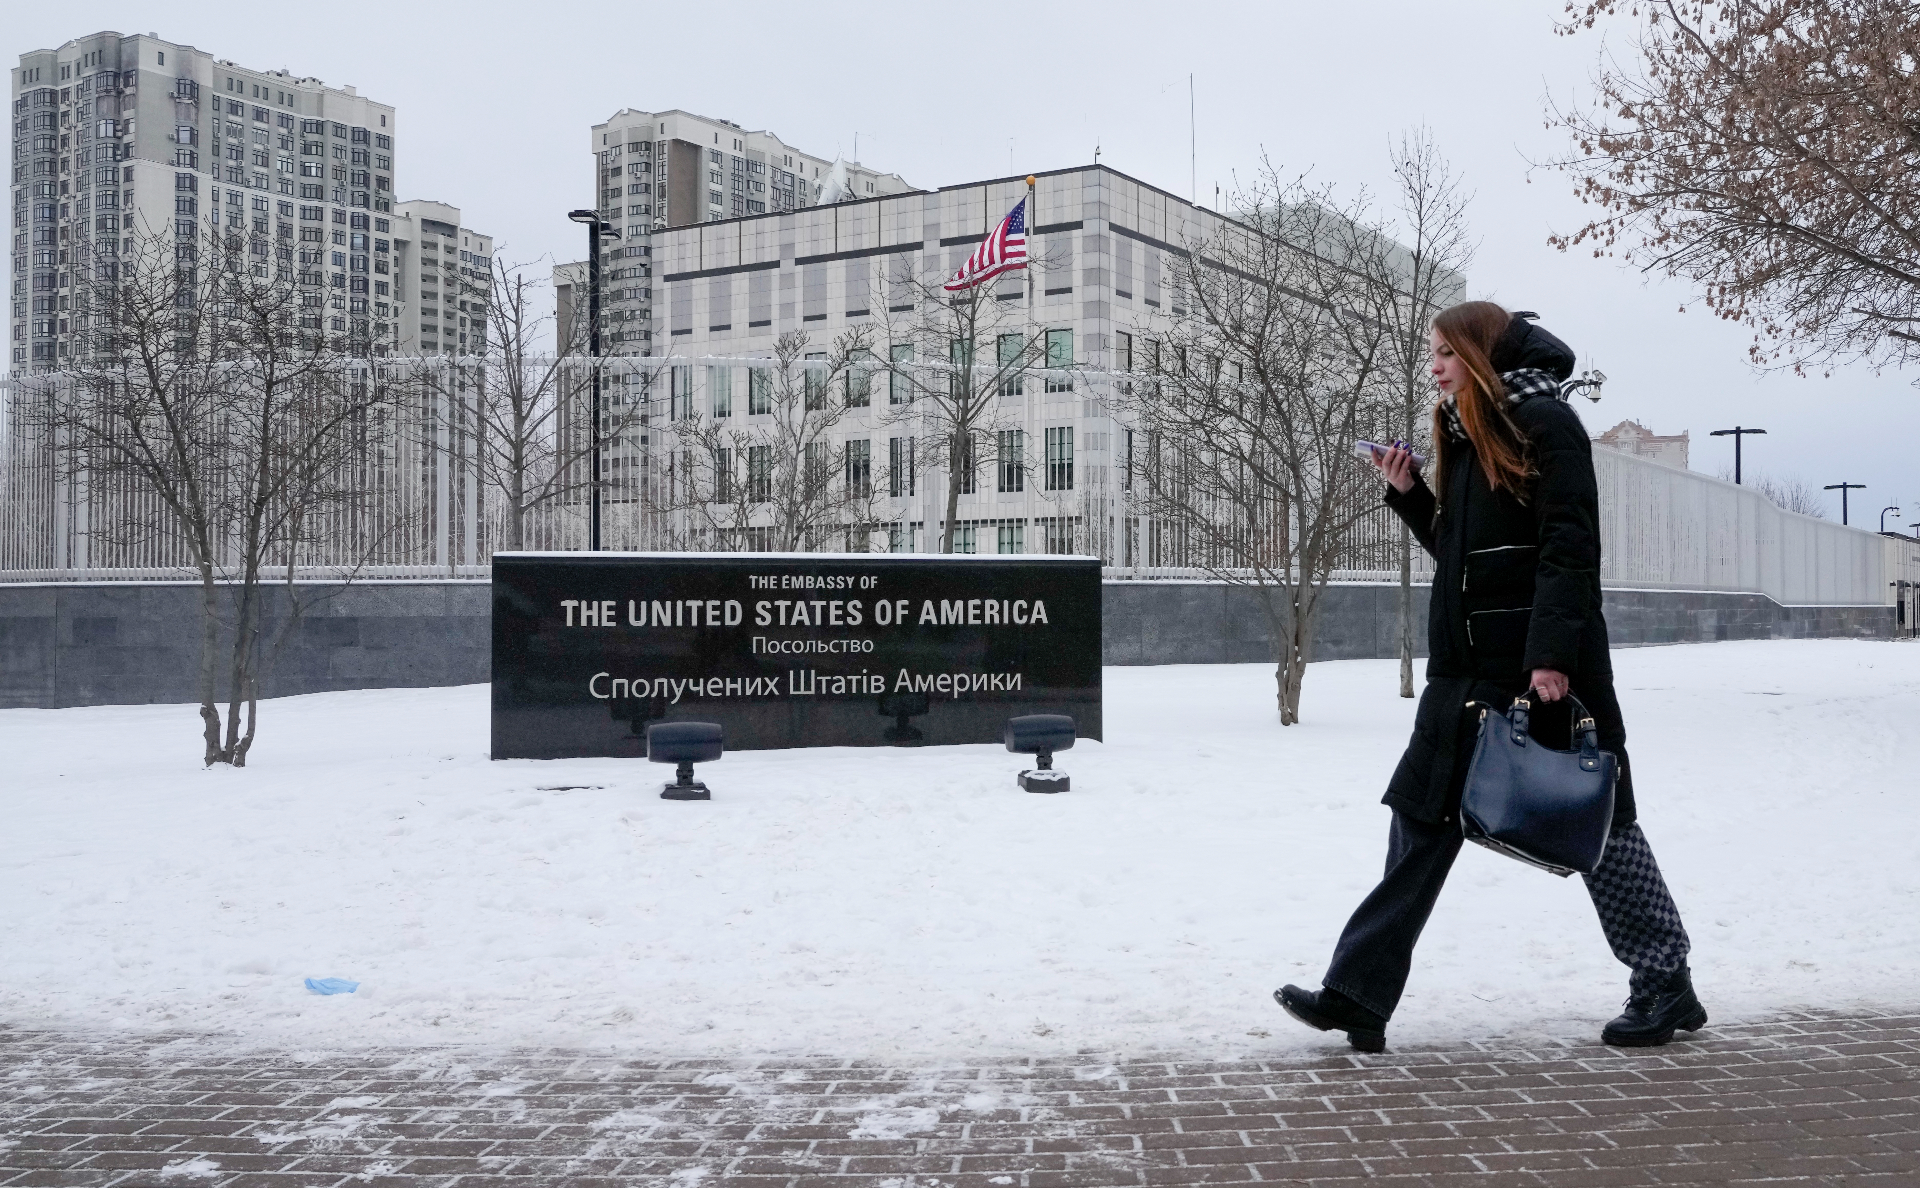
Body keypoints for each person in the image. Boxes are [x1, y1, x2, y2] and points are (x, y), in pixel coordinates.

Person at [1275, 301, 1706, 1053]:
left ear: (1481, 352)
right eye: (1432, 353)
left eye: (1445, 351)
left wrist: (1551, 657)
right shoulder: (1467, 430)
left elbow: (1568, 550)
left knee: (1597, 823)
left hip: (1538, 669)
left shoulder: (1548, 424)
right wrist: (1410, 494)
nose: (1434, 365)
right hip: (1463, 676)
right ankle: (1358, 996)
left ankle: (1665, 981)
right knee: (1418, 822)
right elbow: (1467, 555)